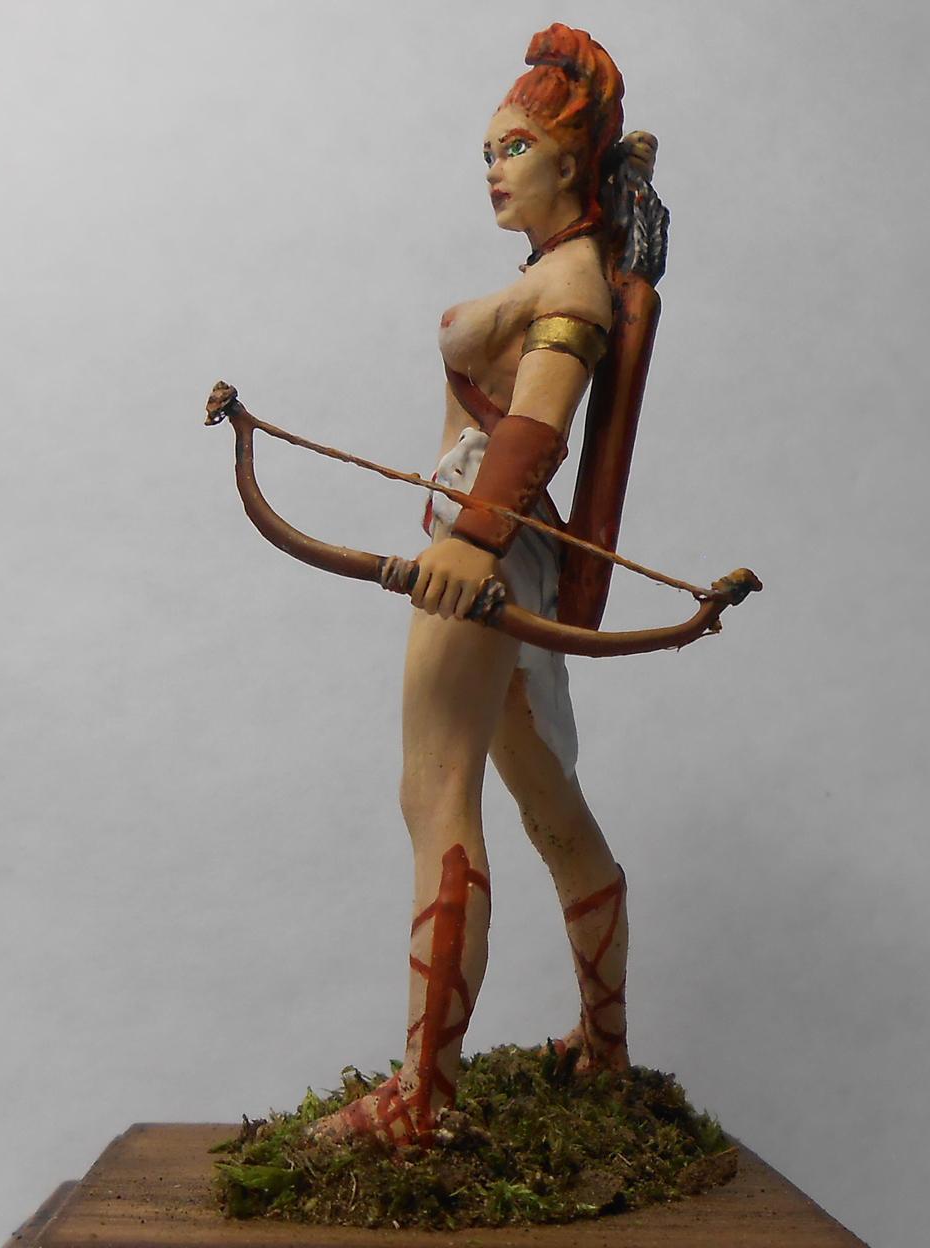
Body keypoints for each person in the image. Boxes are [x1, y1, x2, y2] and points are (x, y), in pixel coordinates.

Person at [313, 23, 659, 1148]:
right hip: (501, 540)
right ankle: (604, 1049)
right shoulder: (562, 270)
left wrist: (467, 544)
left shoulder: (572, 285)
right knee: (548, 801)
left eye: (514, 148)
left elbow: (537, 426)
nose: (493, 168)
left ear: (570, 163)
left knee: (436, 792)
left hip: (487, 540)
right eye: (488, 151)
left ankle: (423, 1100)